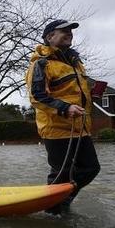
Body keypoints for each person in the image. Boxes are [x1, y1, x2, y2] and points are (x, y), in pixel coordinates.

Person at [25, 19, 101, 215]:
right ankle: (53, 214)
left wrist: (92, 94)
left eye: (71, 31)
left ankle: (60, 203)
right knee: (61, 175)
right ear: (50, 36)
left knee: (91, 168)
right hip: (56, 129)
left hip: (80, 127)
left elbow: (73, 92)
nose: (69, 33)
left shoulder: (76, 63)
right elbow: (37, 97)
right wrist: (65, 108)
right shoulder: (41, 64)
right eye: (64, 31)